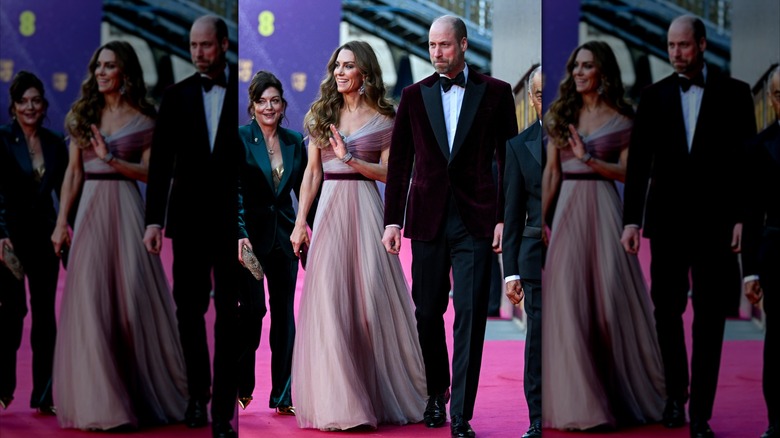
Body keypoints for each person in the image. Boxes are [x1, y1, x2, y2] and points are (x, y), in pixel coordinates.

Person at [382, 15, 518, 438]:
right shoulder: (412, 95)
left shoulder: (496, 93)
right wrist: (392, 220)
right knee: (426, 312)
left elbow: (508, 161)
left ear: (462, 44)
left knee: (471, 315)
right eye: (431, 46)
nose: (436, 52)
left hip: (476, 219)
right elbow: (400, 162)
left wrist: (502, 218)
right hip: (426, 218)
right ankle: (435, 392)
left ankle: (461, 412)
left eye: (444, 45)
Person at [621, 15, 757, 438]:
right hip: (667, 223)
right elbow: (640, 163)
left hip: (717, 224)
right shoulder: (653, 95)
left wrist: (742, 218)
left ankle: (701, 412)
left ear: (701, 44)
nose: (676, 53)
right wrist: (631, 220)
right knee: (667, 312)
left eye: (683, 45)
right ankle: (674, 396)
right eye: (670, 46)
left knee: (711, 319)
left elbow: (746, 166)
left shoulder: (735, 95)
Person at [49, 41, 187, 430]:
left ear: (125, 72)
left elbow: (154, 174)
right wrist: (62, 221)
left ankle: (137, 393)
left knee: (129, 304)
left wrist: (112, 159)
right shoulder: (82, 114)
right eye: (98, 66)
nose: (102, 72)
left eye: (109, 66)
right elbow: (73, 173)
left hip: (127, 209)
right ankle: (101, 404)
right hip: (91, 208)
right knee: (91, 304)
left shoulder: (146, 118)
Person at [289, 40, 427, 431]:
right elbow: (313, 173)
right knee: (330, 306)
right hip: (330, 210)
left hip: (366, 210)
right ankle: (341, 403)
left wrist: (351, 159)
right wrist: (301, 221)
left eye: (348, 66)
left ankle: (380, 392)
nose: (339, 72)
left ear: (364, 72)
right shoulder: (321, 114)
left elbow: (393, 174)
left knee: (369, 306)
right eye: (337, 65)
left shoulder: (386, 120)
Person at [541, 41, 666, 431]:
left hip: (606, 211)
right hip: (566, 215)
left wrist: (591, 159)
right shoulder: (561, 115)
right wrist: (539, 221)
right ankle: (581, 403)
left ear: (603, 73)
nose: (579, 72)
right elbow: (551, 175)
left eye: (588, 66)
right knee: (568, 306)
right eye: (575, 66)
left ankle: (622, 395)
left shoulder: (625, 120)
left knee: (609, 308)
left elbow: (634, 174)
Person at [143, 15, 241, 438]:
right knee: (189, 311)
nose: (198, 53)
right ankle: (197, 395)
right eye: (192, 45)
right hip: (187, 223)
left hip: (233, 226)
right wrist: (153, 220)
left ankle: (223, 411)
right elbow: (161, 163)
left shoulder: (245, 93)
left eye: (205, 45)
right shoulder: (175, 95)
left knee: (230, 319)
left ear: (222, 44)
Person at [237, 70, 311, 416]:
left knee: (284, 315)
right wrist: (239, 232)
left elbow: (307, 192)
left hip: (284, 241)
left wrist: (306, 225)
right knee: (253, 311)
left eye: (275, 101)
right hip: (249, 243)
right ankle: (242, 382)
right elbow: (233, 192)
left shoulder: (295, 141)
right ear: (252, 106)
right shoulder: (239, 139)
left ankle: (283, 394)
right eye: (262, 101)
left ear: (283, 106)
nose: (269, 107)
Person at [0, 71, 68, 415]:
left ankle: (44, 394)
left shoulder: (56, 142)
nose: (30, 106)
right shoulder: (1, 140)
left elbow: (66, 194)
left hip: (44, 240)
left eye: (36, 100)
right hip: (9, 242)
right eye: (23, 101)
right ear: (13, 107)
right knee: (11, 315)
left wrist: (65, 226)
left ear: (44, 105)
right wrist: (0, 233)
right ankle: (3, 387)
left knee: (44, 317)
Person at [502, 65, 543, 438]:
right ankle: (538, 417)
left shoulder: (585, 139)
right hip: (535, 260)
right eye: (540, 94)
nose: (546, 101)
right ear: (531, 99)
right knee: (539, 336)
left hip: (581, 253)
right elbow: (512, 214)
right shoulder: (518, 145)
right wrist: (510, 270)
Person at [743, 65, 780, 438]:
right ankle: (776, 421)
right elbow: (751, 213)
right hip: (777, 252)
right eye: (779, 94)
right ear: (770, 99)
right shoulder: (759, 146)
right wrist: (749, 270)